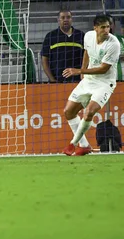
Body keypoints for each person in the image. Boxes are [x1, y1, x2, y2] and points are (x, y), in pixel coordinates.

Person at [62, 14, 121, 156]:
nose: (106, 30)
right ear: (95, 28)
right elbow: (87, 52)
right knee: (68, 112)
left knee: (89, 111)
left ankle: (73, 144)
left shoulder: (114, 44)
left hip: (105, 83)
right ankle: (84, 145)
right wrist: (83, 72)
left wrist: (79, 70)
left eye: (108, 27)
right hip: (88, 79)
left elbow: (103, 69)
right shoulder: (88, 36)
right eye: (103, 27)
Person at [40, 10, 85, 83]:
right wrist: (52, 80)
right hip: (57, 81)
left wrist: (83, 74)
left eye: (68, 17)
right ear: (58, 20)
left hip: (78, 81)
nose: (66, 20)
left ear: (72, 19)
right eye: (63, 17)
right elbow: (44, 60)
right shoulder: (51, 36)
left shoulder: (80, 35)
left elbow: (87, 57)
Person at [105, 13, 124, 81]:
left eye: (110, 23)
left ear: (114, 25)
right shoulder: (96, 42)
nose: (108, 26)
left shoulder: (122, 40)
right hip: (105, 82)